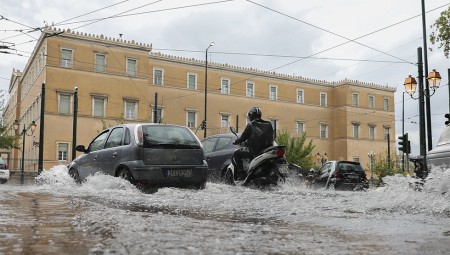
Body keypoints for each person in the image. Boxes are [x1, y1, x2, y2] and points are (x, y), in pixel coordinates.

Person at [231, 106, 274, 177]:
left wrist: (235, 141)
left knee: (236, 153)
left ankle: (242, 174)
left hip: (254, 152)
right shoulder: (269, 124)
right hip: (267, 151)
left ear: (251, 116)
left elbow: (242, 138)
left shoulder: (251, 125)